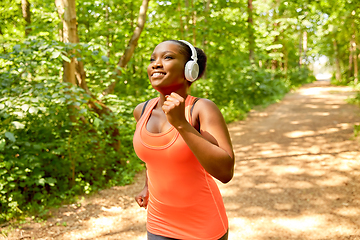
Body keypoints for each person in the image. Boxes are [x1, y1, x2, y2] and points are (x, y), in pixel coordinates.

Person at [133, 40, 235, 240]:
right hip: (158, 223)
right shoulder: (142, 111)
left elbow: (225, 172)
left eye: (167, 57)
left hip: (203, 226)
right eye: (152, 59)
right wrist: (147, 185)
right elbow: (154, 157)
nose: (156, 63)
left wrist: (181, 124)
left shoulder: (201, 109)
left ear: (190, 69)